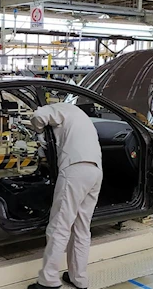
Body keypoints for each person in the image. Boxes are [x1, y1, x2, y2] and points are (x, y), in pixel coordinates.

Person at [28, 102, 103, 289]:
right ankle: (79, 278)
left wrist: (39, 133)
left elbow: (39, 116)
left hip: (74, 170)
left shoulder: (62, 108)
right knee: (82, 228)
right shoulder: (82, 118)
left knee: (60, 226)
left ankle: (49, 281)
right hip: (95, 172)